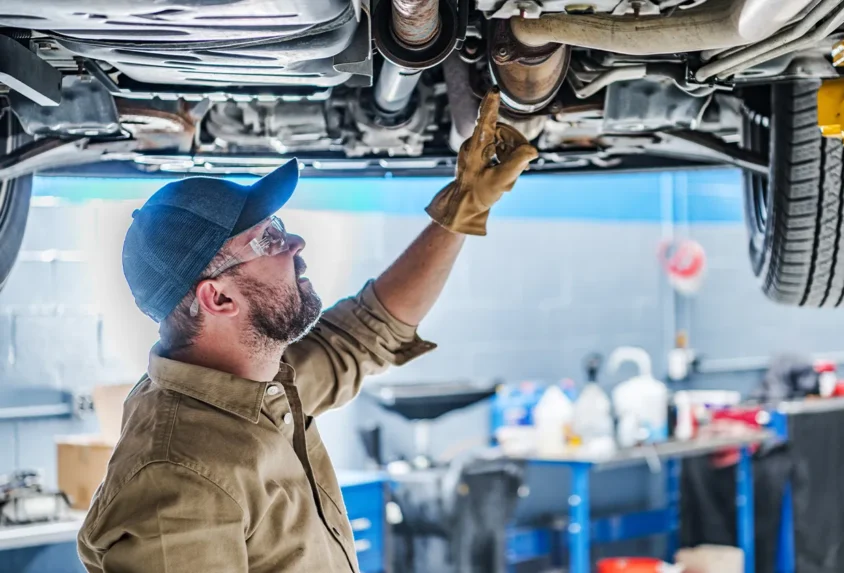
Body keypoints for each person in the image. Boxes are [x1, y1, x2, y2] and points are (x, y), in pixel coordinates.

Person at [77, 89, 537, 573]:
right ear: (218, 298)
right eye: (268, 239)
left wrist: (462, 208)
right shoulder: (177, 475)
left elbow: (367, 330)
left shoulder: (261, 379)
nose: (295, 242)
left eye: (279, 225)